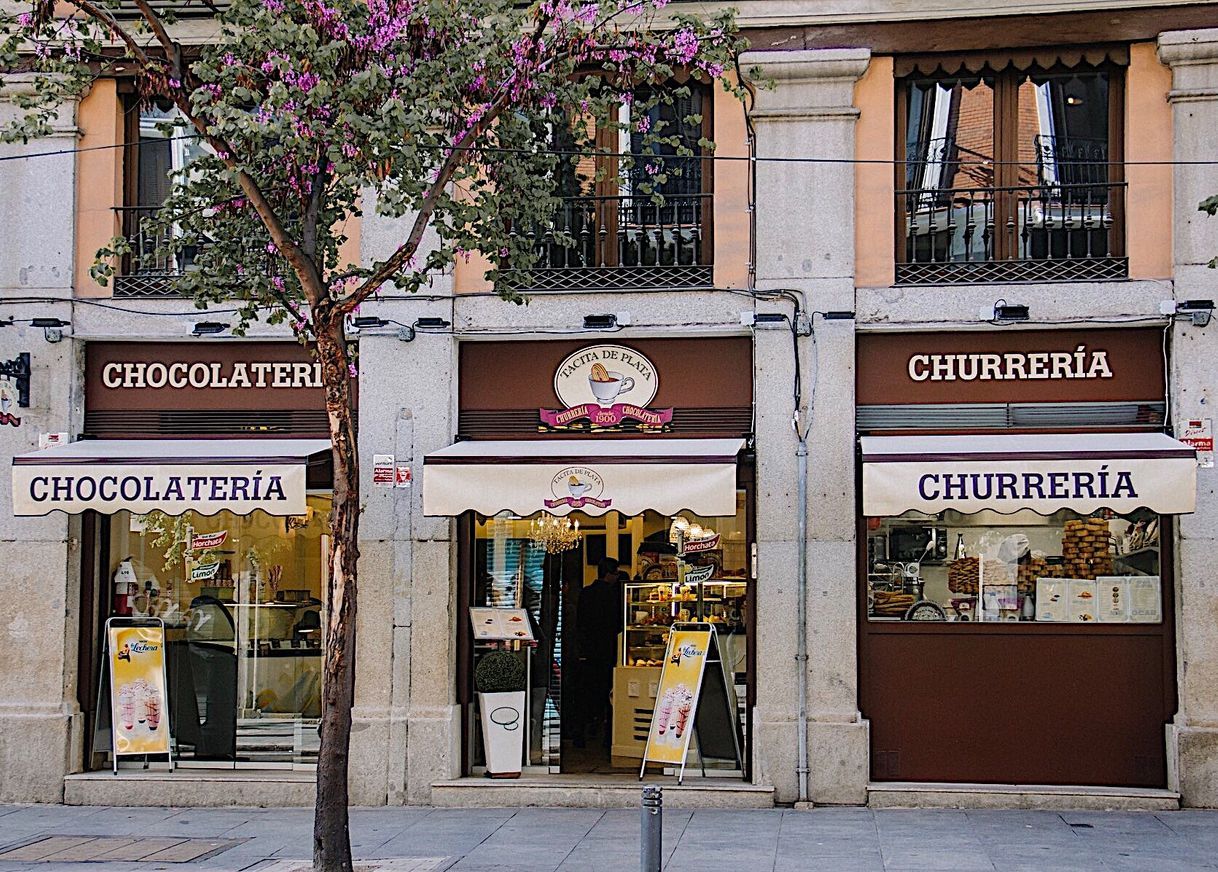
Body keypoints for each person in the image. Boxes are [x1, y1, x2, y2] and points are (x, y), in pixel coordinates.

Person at [576, 557, 624, 749]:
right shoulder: (613, 596)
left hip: (589, 652)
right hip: (609, 651)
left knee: (587, 694)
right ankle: (608, 738)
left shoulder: (586, 594)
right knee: (609, 696)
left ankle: (581, 734)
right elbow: (619, 624)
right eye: (616, 573)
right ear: (609, 574)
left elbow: (580, 623)